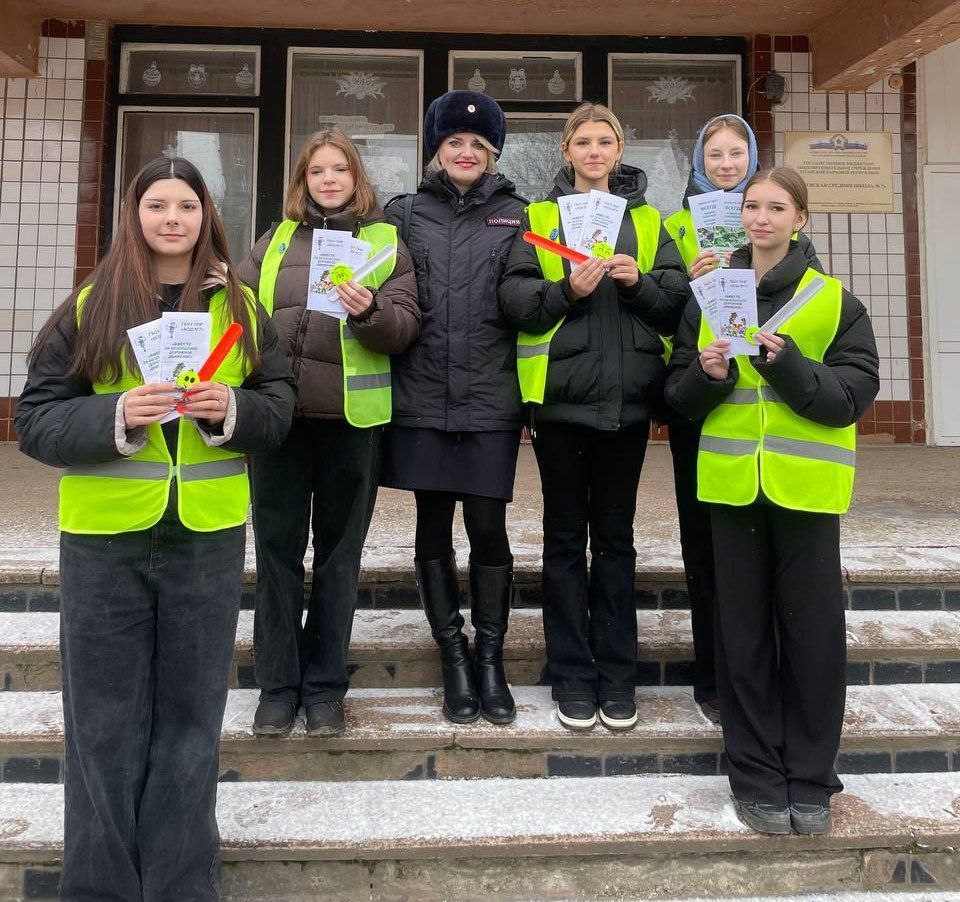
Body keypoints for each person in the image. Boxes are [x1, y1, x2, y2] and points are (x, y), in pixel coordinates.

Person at [15, 156, 295, 900]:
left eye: (187, 206)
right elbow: (34, 419)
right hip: (105, 544)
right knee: (103, 728)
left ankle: (179, 886)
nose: (173, 219)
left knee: (191, 723)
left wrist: (230, 410)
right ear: (134, 216)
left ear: (207, 216)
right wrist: (115, 417)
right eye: (157, 205)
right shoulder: (93, 303)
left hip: (203, 538)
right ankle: (100, 888)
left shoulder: (238, 309)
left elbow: (280, 408)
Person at [665, 167, 879, 836]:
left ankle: (811, 778)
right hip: (731, 490)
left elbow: (852, 396)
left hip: (807, 492)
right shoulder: (708, 294)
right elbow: (675, 399)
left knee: (813, 638)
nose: (761, 217)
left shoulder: (832, 300)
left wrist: (786, 365)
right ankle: (755, 776)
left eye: (776, 206)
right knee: (743, 637)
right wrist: (706, 375)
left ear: (801, 219)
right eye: (752, 206)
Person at [499, 102, 689, 732]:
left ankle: (618, 678)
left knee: (615, 545)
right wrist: (567, 292)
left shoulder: (648, 220)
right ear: (566, 151)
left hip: (627, 407)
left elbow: (676, 308)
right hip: (560, 407)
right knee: (561, 544)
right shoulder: (539, 218)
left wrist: (637, 284)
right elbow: (517, 302)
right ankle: (572, 677)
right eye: (582, 142)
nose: (594, 152)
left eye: (605, 141)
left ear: (619, 148)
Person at [238, 128, 420, 738]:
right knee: (277, 557)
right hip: (281, 426)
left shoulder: (384, 241)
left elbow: (404, 328)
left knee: (339, 563)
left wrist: (369, 310)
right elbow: (239, 313)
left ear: (356, 177)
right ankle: (277, 687)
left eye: (339, 169)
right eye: (317, 171)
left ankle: (324, 689)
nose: (329, 180)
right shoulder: (277, 238)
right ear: (303, 181)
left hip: (351, 426)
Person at [381, 90, 526, 725]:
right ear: (436, 150)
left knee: (489, 530)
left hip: (492, 397)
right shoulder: (403, 214)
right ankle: (453, 658)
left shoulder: (521, 215)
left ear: (492, 154)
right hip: (422, 398)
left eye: (478, 145)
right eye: (453, 143)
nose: (465, 152)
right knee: (432, 528)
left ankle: (490, 657)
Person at [662, 113, 760, 724]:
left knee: (750, 543)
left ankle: (752, 667)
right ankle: (712, 673)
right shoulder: (678, 224)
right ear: (699, 160)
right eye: (715, 155)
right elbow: (657, 307)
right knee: (703, 541)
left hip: (760, 406)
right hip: (698, 396)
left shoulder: (770, 216)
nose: (725, 165)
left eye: (736, 154)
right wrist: (688, 282)